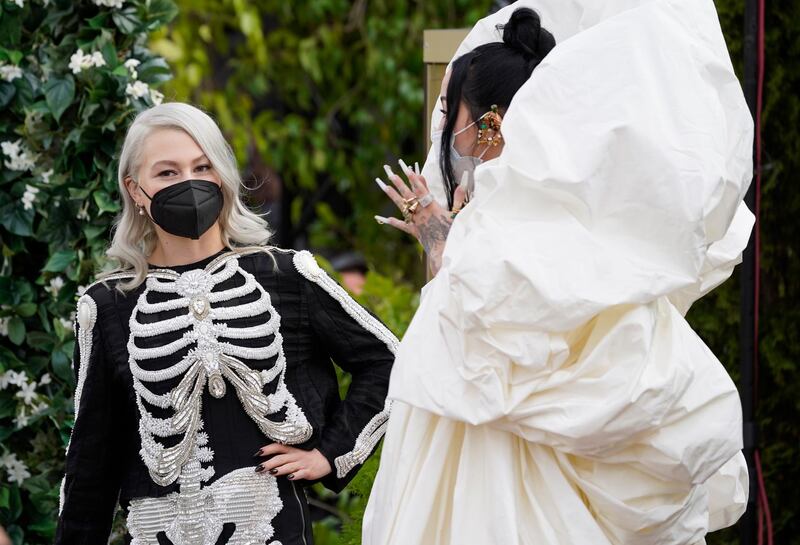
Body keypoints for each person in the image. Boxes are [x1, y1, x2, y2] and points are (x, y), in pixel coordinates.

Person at [365, 2, 752, 544]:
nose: (443, 128)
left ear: (486, 122)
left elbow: (464, 335)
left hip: (488, 456)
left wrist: (441, 239)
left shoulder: (493, 226)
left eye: (449, 112)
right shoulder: (576, 212)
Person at [55, 102, 396, 544]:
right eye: (167, 173)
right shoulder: (107, 307)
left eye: (202, 166)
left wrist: (329, 454)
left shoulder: (287, 275)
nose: (190, 183)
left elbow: (388, 362)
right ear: (135, 190)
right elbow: (91, 463)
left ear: (221, 175)